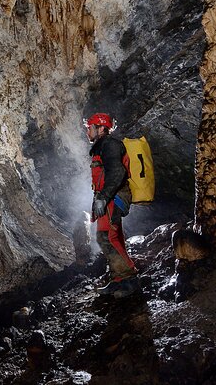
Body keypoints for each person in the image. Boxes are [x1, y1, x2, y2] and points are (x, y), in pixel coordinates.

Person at [85, 113, 139, 298]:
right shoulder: (102, 147)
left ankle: (129, 279)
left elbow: (117, 172)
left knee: (106, 237)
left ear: (101, 128)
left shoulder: (110, 144)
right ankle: (118, 279)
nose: (87, 131)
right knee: (114, 236)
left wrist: (103, 198)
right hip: (108, 197)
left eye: (90, 127)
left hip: (113, 197)